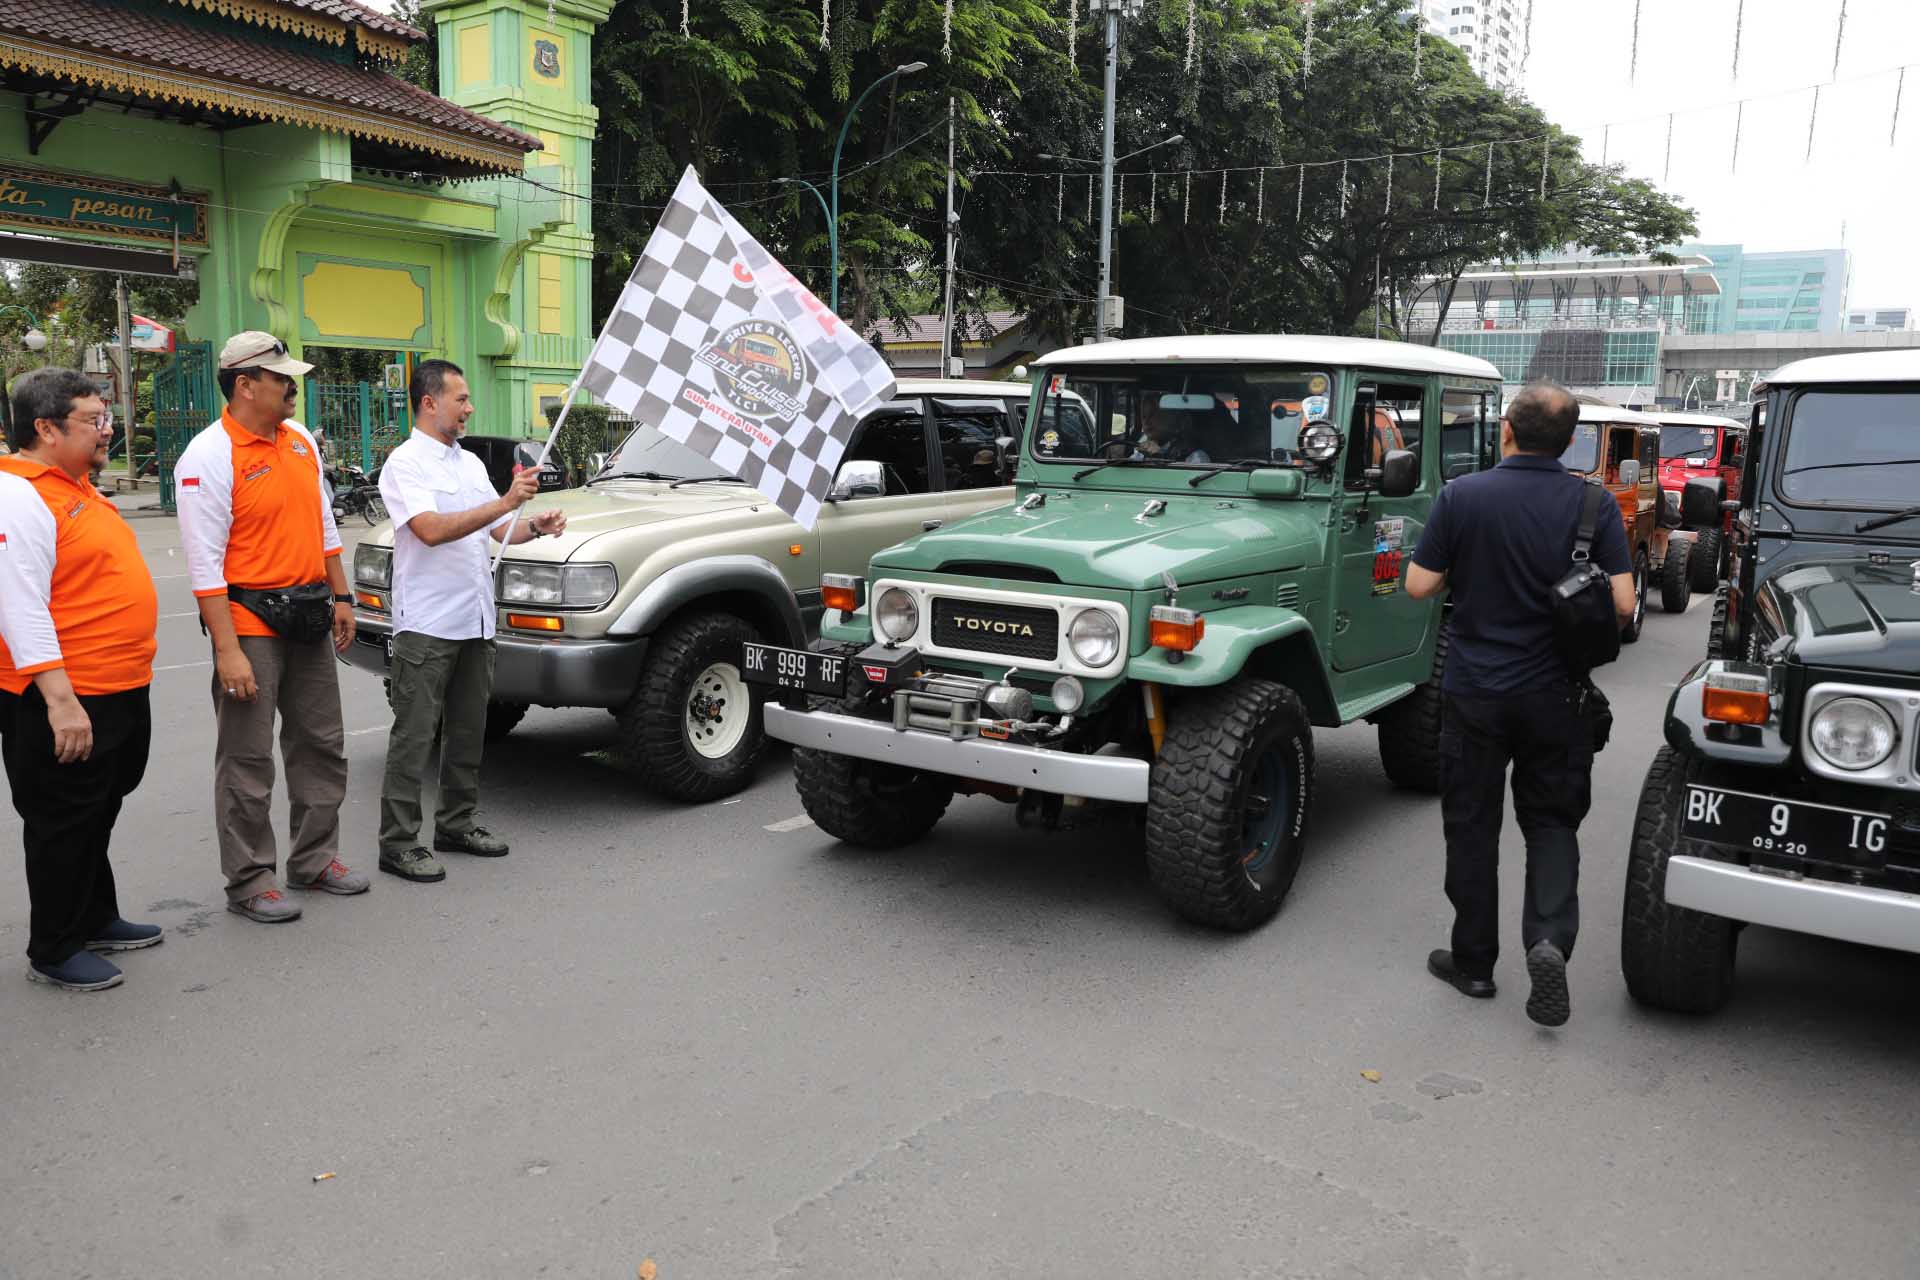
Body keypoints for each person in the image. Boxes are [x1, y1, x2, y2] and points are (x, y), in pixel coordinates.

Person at [1405, 381, 1635, 1027]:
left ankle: (1474, 966)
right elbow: (1621, 605)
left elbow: (1420, 586)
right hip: (1557, 697)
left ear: (1506, 428)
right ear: (1570, 440)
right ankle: (1547, 942)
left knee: (1472, 827)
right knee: (1552, 823)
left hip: (1475, 691)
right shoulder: (1594, 504)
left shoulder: (1462, 496)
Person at [175, 332, 364, 923]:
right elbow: (205, 567)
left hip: (309, 611)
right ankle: (251, 879)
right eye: (280, 377)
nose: (291, 385)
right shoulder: (207, 457)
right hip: (250, 621)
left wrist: (341, 595)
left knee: (321, 744)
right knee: (247, 757)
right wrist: (228, 651)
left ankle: (313, 859)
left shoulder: (301, 441)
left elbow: (325, 528)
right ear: (245, 384)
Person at [0, 369, 161, 990]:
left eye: (106, 418)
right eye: (94, 419)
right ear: (45, 428)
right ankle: (55, 946)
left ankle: (94, 915)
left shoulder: (76, 488)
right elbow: (20, 604)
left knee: (98, 807)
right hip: (68, 693)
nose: (107, 430)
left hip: (118, 683)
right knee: (62, 819)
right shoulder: (20, 492)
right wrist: (61, 703)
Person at [374, 359, 563, 883]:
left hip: (475, 620)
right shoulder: (405, 464)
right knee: (415, 736)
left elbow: (501, 530)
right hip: (428, 623)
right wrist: (504, 502)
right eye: (461, 399)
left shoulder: (469, 463)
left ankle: (456, 824)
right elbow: (431, 530)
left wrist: (534, 525)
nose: (470, 408)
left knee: (468, 731)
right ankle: (398, 842)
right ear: (430, 402)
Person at [1132, 394, 1211, 463]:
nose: (1146, 421)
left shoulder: (1195, 456)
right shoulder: (1141, 452)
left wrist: (1158, 458)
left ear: (1176, 419)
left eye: (1153, 415)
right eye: (1144, 416)